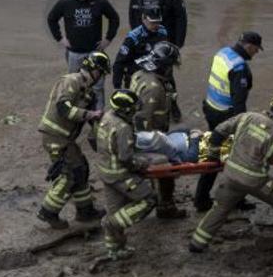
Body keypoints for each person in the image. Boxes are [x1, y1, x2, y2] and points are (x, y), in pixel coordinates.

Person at [189, 93, 273, 254]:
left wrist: (214, 154)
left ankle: (197, 243)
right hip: (255, 181)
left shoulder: (247, 117)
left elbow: (218, 132)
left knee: (220, 208)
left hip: (230, 175)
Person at [37, 51, 110, 229]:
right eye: (101, 73)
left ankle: (85, 210)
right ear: (93, 70)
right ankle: (48, 212)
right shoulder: (71, 80)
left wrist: (104, 134)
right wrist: (89, 114)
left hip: (66, 138)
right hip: (54, 136)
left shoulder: (89, 92)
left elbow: (94, 122)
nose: (101, 77)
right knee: (69, 174)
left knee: (81, 168)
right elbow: (63, 108)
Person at [194, 32, 262, 212]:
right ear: (249, 46)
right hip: (226, 115)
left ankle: (201, 198)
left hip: (211, 108)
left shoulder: (223, 53)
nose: (256, 53)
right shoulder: (239, 68)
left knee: (213, 153)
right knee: (239, 158)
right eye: (256, 49)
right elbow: (239, 102)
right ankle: (235, 199)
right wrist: (243, 127)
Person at [95, 89, 158, 260]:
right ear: (125, 110)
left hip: (106, 172)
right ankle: (111, 224)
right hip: (120, 175)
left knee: (114, 210)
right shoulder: (123, 128)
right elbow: (126, 158)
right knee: (149, 199)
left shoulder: (106, 117)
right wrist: (142, 164)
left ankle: (114, 250)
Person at [46, 0, 120, 108]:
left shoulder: (100, 2)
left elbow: (114, 18)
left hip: (95, 52)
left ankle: (98, 115)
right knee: (74, 85)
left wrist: (108, 39)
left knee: (97, 87)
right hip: (74, 53)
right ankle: (76, 114)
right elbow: (51, 19)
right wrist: (60, 38)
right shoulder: (65, 3)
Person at [131, 42, 186, 218]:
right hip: (147, 137)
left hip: (144, 134)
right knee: (166, 167)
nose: (171, 70)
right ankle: (166, 206)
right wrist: (154, 143)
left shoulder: (139, 74)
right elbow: (142, 121)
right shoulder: (154, 88)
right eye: (170, 66)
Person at [113, 7, 169, 90]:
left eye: (158, 22)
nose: (156, 25)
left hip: (158, 77)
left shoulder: (163, 32)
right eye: (152, 22)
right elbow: (119, 62)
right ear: (144, 19)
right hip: (136, 78)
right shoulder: (133, 37)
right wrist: (117, 87)